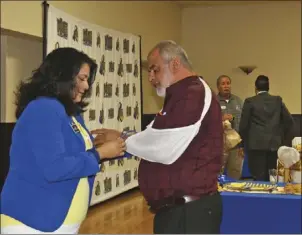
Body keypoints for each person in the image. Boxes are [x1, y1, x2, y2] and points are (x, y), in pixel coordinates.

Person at [93, 41, 223, 234]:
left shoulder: (192, 93)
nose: (150, 77)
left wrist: (123, 140)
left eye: (155, 69)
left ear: (175, 64)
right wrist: (124, 138)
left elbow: (164, 147)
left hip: (189, 213)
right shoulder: (180, 96)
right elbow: (153, 136)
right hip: (178, 211)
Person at [0, 47, 126, 234]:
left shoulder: (70, 113)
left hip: (58, 223)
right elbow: (54, 167)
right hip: (31, 222)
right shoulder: (43, 108)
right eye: (82, 79)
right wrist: (100, 153)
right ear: (62, 75)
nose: (86, 86)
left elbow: (74, 153)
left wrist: (113, 143)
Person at [239, 75, 294, 181]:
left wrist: (241, 144)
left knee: (258, 177)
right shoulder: (277, 101)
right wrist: (284, 140)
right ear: (268, 87)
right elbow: (289, 121)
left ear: (255, 88)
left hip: (256, 146)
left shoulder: (250, 102)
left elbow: (244, 125)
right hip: (274, 145)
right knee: (273, 177)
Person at [217, 75, 244, 179]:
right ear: (218, 86)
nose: (226, 86)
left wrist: (243, 145)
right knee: (217, 174)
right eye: (223, 84)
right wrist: (221, 118)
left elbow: (243, 122)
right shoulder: (213, 101)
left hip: (236, 146)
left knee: (235, 174)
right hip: (219, 146)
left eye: (228, 83)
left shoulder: (238, 101)